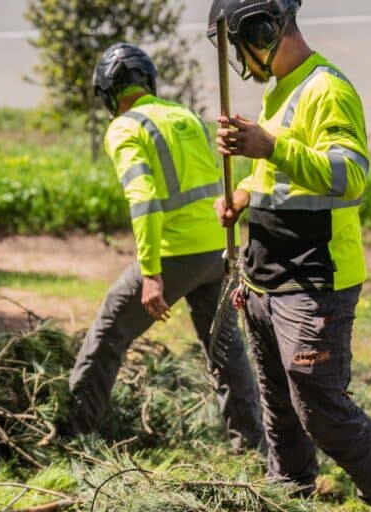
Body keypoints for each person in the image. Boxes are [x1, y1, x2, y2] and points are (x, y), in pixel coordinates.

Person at [206, 0, 371, 512]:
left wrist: (269, 144)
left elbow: (350, 175)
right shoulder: (278, 89)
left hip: (314, 279)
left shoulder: (326, 88)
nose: (237, 59)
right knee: (279, 408)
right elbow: (275, 175)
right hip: (264, 277)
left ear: (262, 30)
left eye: (239, 44)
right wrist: (239, 196)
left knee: (319, 409)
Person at [67, 43, 264, 452]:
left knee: (107, 336)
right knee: (225, 351)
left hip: (176, 254)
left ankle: (73, 440)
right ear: (149, 81)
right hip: (219, 249)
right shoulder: (185, 116)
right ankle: (251, 445)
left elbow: (144, 199)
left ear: (107, 94)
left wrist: (151, 272)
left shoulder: (125, 127)